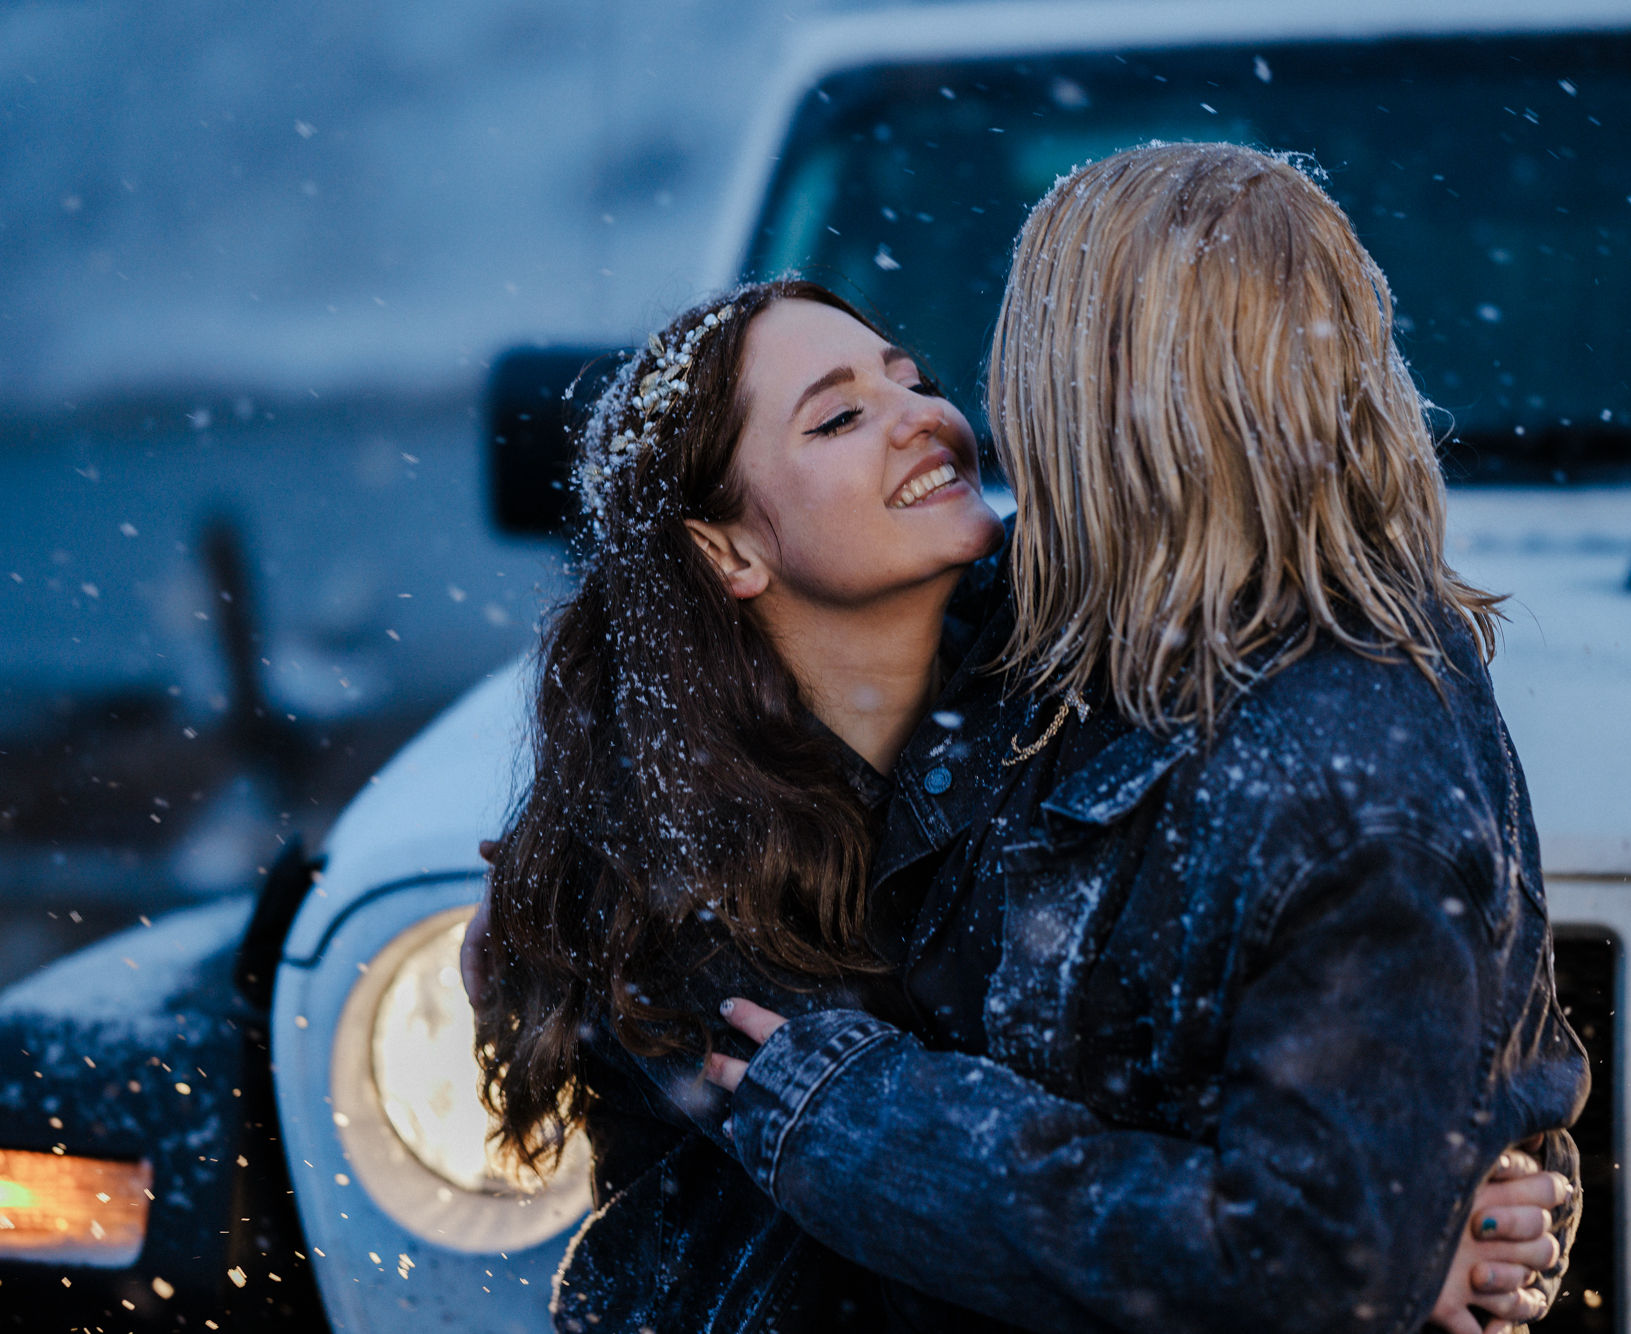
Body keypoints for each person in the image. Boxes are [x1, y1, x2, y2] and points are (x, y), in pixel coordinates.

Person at [471, 273, 1571, 1333]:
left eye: (910, 378)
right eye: (842, 416)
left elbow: (1269, 995)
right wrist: (1351, 1252)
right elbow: (936, 1249)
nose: (924, 417)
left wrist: (1455, 1176)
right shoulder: (664, 855)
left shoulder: (1087, 694)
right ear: (728, 547)